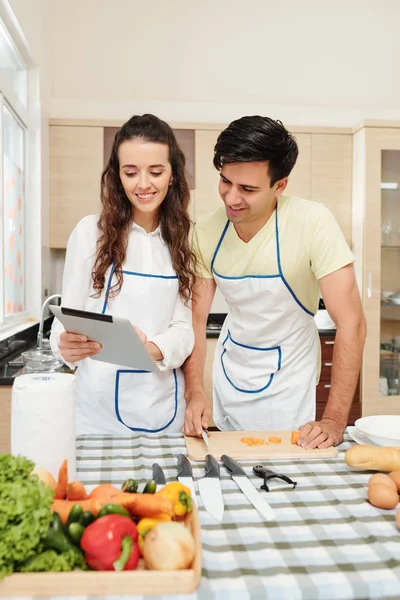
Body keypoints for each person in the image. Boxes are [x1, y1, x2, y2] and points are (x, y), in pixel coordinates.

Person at [183, 116, 366, 449]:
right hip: (233, 369)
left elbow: (352, 322)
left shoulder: (312, 222)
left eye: (248, 189)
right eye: (226, 182)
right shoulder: (206, 231)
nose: (231, 198)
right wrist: (195, 391)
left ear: (280, 185)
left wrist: (334, 419)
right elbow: (195, 319)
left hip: (290, 377)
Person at [50, 114, 197, 435]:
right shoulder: (90, 233)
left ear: (172, 175)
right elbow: (65, 320)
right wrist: (64, 345)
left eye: (156, 172)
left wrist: (150, 350)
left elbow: (185, 331)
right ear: (117, 176)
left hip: (163, 406)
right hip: (96, 412)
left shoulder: (186, 240)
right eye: (131, 173)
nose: (143, 184)